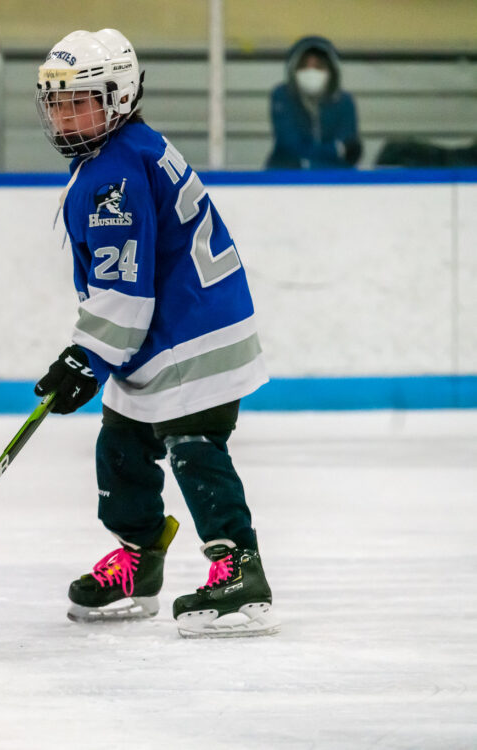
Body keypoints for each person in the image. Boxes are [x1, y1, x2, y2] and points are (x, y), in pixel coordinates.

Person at [33, 28, 278, 638]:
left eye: (79, 100)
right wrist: (93, 354)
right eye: (56, 101)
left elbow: (126, 290)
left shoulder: (114, 172)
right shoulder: (123, 151)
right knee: (121, 445)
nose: (64, 114)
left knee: (195, 447)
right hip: (166, 332)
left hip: (193, 335)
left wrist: (86, 356)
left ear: (116, 97)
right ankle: (139, 561)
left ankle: (239, 568)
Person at [265, 35, 361, 169]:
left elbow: (349, 148)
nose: (311, 71)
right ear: (293, 69)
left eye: (318, 66)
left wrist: (313, 158)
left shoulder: (344, 102)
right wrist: (335, 150)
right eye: (304, 66)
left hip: (334, 181)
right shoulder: (282, 96)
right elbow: (289, 145)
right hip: (286, 178)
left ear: (331, 70)